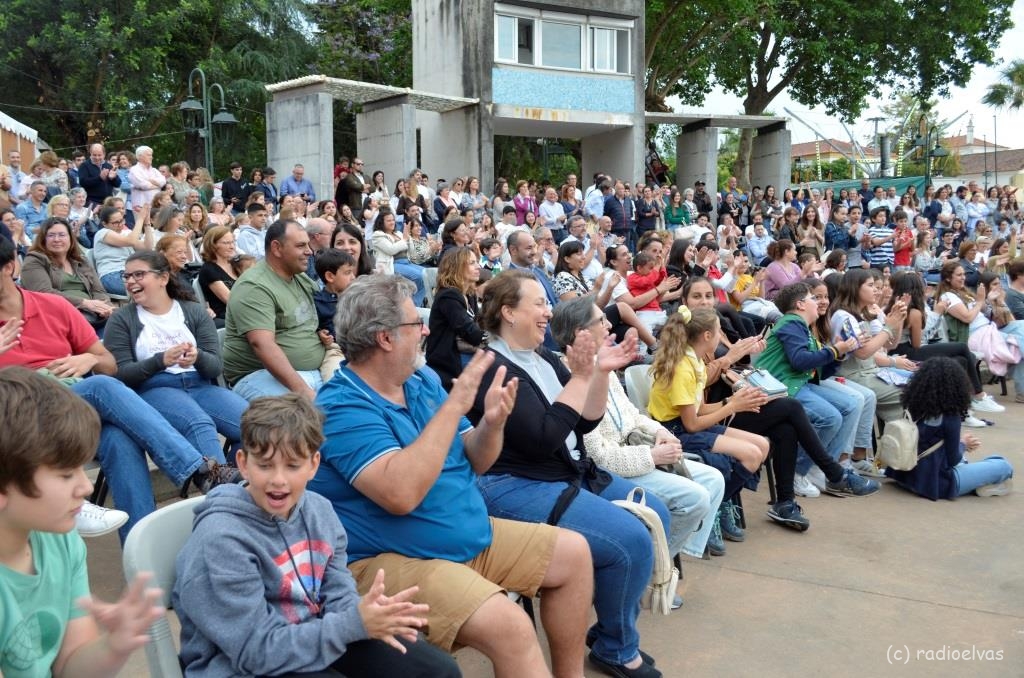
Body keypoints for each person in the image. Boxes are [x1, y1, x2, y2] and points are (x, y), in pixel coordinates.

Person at [310, 274, 594, 677]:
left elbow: (477, 460)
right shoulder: (340, 407)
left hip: (463, 534)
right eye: (414, 324)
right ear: (385, 338)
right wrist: (455, 405)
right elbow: (401, 493)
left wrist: (492, 424)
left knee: (574, 555)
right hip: (386, 562)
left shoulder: (420, 379)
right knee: (511, 627)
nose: (425, 329)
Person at [172, 394, 460, 678]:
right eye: (265, 465)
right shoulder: (220, 540)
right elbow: (254, 651)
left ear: (313, 464)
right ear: (243, 463)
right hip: (240, 663)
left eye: (293, 465)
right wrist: (352, 624)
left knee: (436, 669)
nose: (279, 480)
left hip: (313, 633)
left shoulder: (320, 511)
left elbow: (336, 588)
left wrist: (365, 613)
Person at [468, 271, 666, 677]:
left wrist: (601, 372)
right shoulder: (495, 368)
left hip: (564, 474)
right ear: (508, 312)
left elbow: (584, 423)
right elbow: (543, 439)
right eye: (539, 303)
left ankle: (610, 631)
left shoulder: (539, 358)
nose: (548, 312)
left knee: (656, 514)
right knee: (629, 538)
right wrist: (580, 376)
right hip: (515, 485)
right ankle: (616, 647)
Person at [0, 367, 165, 677]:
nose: (86, 487)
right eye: (65, 474)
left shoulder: (61, 539)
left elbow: (69, 665)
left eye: (81, 468)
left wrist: (113, 646)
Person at [562, 296, 727, 561]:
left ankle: (669, 555)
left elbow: (633, 415)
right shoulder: (572, 378)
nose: (608, 326)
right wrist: (652, 456)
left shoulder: (601, 363)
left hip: (637, 449)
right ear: (579, 333)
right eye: (601, 321)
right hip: (615, 469)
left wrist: (660, 432)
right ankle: (656, 568)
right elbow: (600, 458)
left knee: (714, 479)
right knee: (695, 497)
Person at [104, 250, 249, 461]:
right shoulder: (121, 320)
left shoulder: (193, 311)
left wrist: (197, 357)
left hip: (199, 385)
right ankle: (222, 488)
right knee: (199, 423)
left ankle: (235, 482)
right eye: (126, 276)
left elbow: (215, 367)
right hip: (154, 389)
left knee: (257, 426)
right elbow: (120, 374)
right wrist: (160, 361)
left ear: (163, 278)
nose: (130, 282)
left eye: (138, 275)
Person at [223, 220, 325, 400]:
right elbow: (262, 344)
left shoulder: (299, 278)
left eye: (308, 244)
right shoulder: (254, 286)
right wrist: (303, 392)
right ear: (277, 248)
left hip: (313, 371)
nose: (309, 251)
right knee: (314, 416)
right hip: (260, 376)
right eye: (301, 245)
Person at [887, 358, 1013, 498]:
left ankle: (980, 482)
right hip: (936, 482)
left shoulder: (911, 406)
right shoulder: (950, 417)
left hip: (904, 475)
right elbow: (953, 460)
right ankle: (982, 483)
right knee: (1003, 465)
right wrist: (963, 444)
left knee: (976, 463)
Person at [888, 271, 1003, 415]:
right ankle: (979, 396)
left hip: (899, 350)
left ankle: (963, 409)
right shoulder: (914, 312)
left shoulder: (894, 305)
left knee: (960, 360)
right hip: (907, 351)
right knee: (961, 348)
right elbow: (917, 344)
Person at [20, 217, 114, 332]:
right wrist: (84, 303)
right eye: (51, 235)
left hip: (93, 315)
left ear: (70, 238)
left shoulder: (80, 260)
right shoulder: (34, 260)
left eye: (62, 235)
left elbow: (98, 290)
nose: (56, 239)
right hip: (58, 318)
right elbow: (43, 293)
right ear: (43, 239)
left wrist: (106, 308)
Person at [426, 246, 487, 390]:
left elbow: (479, 326)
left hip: (465, 352)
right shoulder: (448, 296)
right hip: (450, 361)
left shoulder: (469, 294)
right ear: (457, 267)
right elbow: (471, 332)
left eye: (476, 262)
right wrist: (496, 337)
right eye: (472, 263)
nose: (478, 266)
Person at [93, 204, 156, 295]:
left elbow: (147, 248)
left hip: (130, 272)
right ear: (104, 224)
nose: (121, 224)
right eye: (116, 222)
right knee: (147, 290)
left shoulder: (127, 233)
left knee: (158, 284)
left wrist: (147, 222)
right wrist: (140, 219)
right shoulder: (102, 233)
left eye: (122, 220)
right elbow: (131, 241)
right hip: (112, 275)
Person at [371, 210, 426, 307]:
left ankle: (417, 302)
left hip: (406, 262)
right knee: (419, 277)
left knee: (427, 274)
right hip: (393, 264)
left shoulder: (398, 233)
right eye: (388, 220)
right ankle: (414, 307)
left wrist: (409, 239)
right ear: (381, 222)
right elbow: (391, 250)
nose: (392, 222)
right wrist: (405, 239)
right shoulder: (378, 235)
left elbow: (409, 249)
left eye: (393, 220)